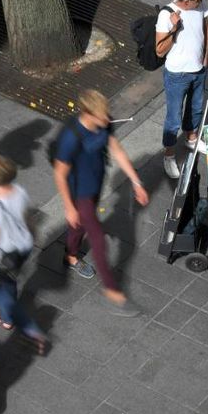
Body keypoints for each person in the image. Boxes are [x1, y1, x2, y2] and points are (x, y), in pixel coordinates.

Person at [53, 89, 149, 317]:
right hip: (79, 194)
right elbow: (59, 173)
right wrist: (68, 206)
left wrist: (136, 182)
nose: (107, 120)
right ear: (87, 114)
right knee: (98, 239)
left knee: (79, 225)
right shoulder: (71, 137)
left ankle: (71, 254)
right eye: (101, 116)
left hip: (96, 185)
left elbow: (117, 151)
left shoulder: (103, 126)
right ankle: (112, 291)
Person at [0, 153, 46, 354]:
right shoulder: (19, 191)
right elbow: (27, 218)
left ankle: (9, 319)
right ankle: (8, 314)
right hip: (23, 247)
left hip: (3, 255)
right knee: (10, 283)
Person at [155, 0, 208, 178]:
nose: (202, 1)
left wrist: (205, 57)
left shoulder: (200, 6)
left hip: (198, 70)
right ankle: (169, 156)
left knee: (195, 108)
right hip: (177, 75)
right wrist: (173, 29)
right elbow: (160, 51)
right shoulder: (166, 15)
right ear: (187, 1)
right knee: (173, 118)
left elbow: (206, 29)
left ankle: (191, 138)